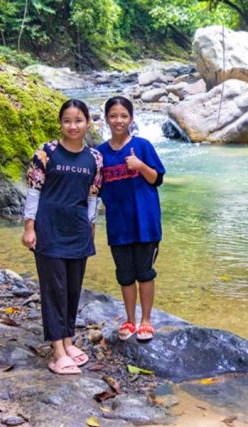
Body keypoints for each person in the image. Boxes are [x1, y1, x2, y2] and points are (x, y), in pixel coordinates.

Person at [23, 99, 103, 375]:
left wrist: (91, 228)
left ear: (87, 123)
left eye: (78, 120)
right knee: (53, 290)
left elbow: (93, 196)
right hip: (49, 228)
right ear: (60, 123)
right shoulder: (46, 152)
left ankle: (68, 341)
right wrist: (29, 227)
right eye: (67, 120)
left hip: (78, 230)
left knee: (72, 289)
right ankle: (57, 351)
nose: (73, 126)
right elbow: (33, 191)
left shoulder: (94, 158)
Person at [96, 96, 166, 343]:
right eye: (113, 116)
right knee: (124, 274)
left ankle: (146, 321)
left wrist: (139, 166)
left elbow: (157, 178)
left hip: (145, 222)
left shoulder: (143, 146)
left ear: (131, 119)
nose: (118, 120)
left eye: (124, 116)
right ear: (106, 119)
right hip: (118, 224)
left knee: (145, 272)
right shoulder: (100, 153)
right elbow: (95, 188)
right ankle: (129, 319)